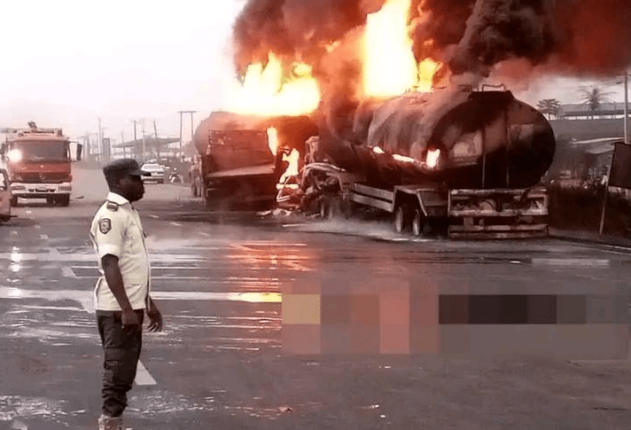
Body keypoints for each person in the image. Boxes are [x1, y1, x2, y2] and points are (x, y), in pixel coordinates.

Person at [89, 159, 163, 430]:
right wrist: (127, 309)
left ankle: (113, 421)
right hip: (118, 309)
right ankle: (110, 423)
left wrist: (147, 302)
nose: (142, 184)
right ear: (119, 181)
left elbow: (134, 266)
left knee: (125, 369)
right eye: (136, 179)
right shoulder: (111, 215)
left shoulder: (129, 211)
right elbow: (110, 263)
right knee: (118, 370)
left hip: (131, 305)